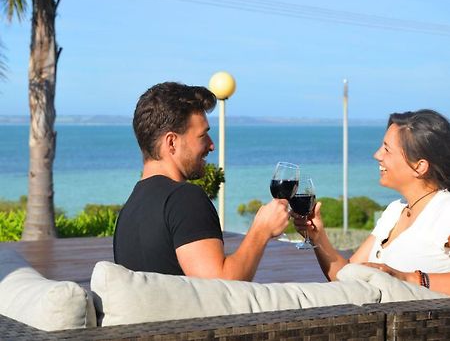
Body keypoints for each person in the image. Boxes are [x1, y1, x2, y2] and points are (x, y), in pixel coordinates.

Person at [114, 82, 289, 280]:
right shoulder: (183, 199)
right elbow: (221, 287)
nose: (211, 145)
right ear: (172, 142)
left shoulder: (129, 210)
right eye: (202, 135)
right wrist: (261, 230)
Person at [293, 109, 450, 295]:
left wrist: (406, 278)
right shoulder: (395, 210)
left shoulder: (445, 211)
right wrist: (318, 237)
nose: (377, 155)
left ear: (419, 166)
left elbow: (399, 279)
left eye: (387, 149)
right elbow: (345, 276)